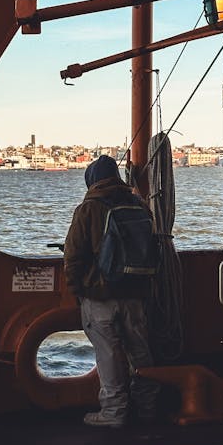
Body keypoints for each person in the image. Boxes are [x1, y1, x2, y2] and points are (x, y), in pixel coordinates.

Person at [63, 155, 159, 428]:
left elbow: (73, 255)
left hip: (99, 296)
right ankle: (148, 407)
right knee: (140, 352)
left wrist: (77, 291)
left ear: (90, 180)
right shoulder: (139, 204)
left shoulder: (89, 208)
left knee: (109, 355)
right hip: (136, 294)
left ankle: (114, 411)